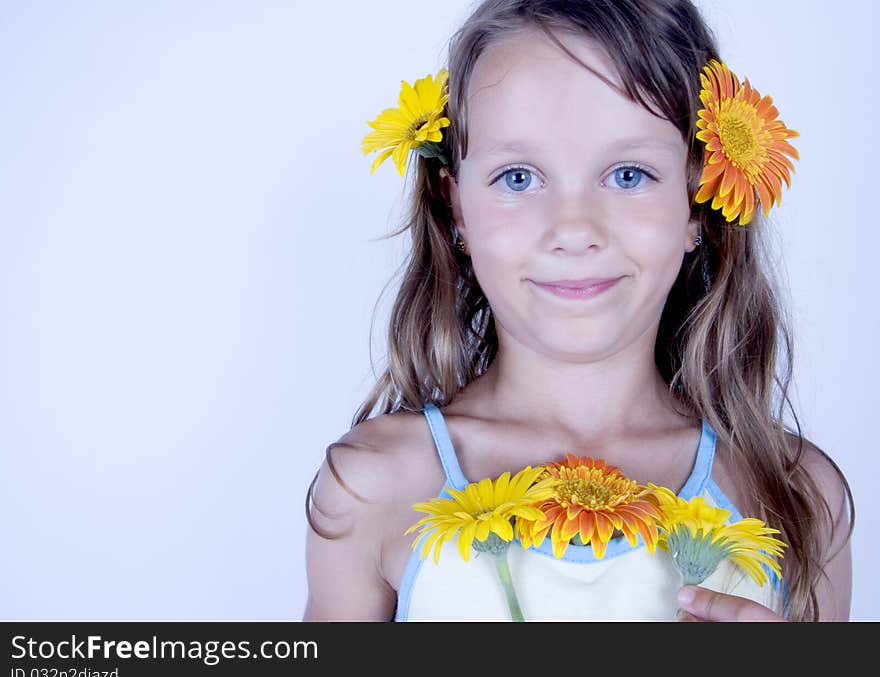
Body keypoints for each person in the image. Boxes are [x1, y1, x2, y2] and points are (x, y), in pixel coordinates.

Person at [303, 0, 854, 622]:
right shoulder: (378, 487)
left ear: (698, 204)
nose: (574, 229)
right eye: (517, 177)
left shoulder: (796, 497)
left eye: (627, 174)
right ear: (455, 206)